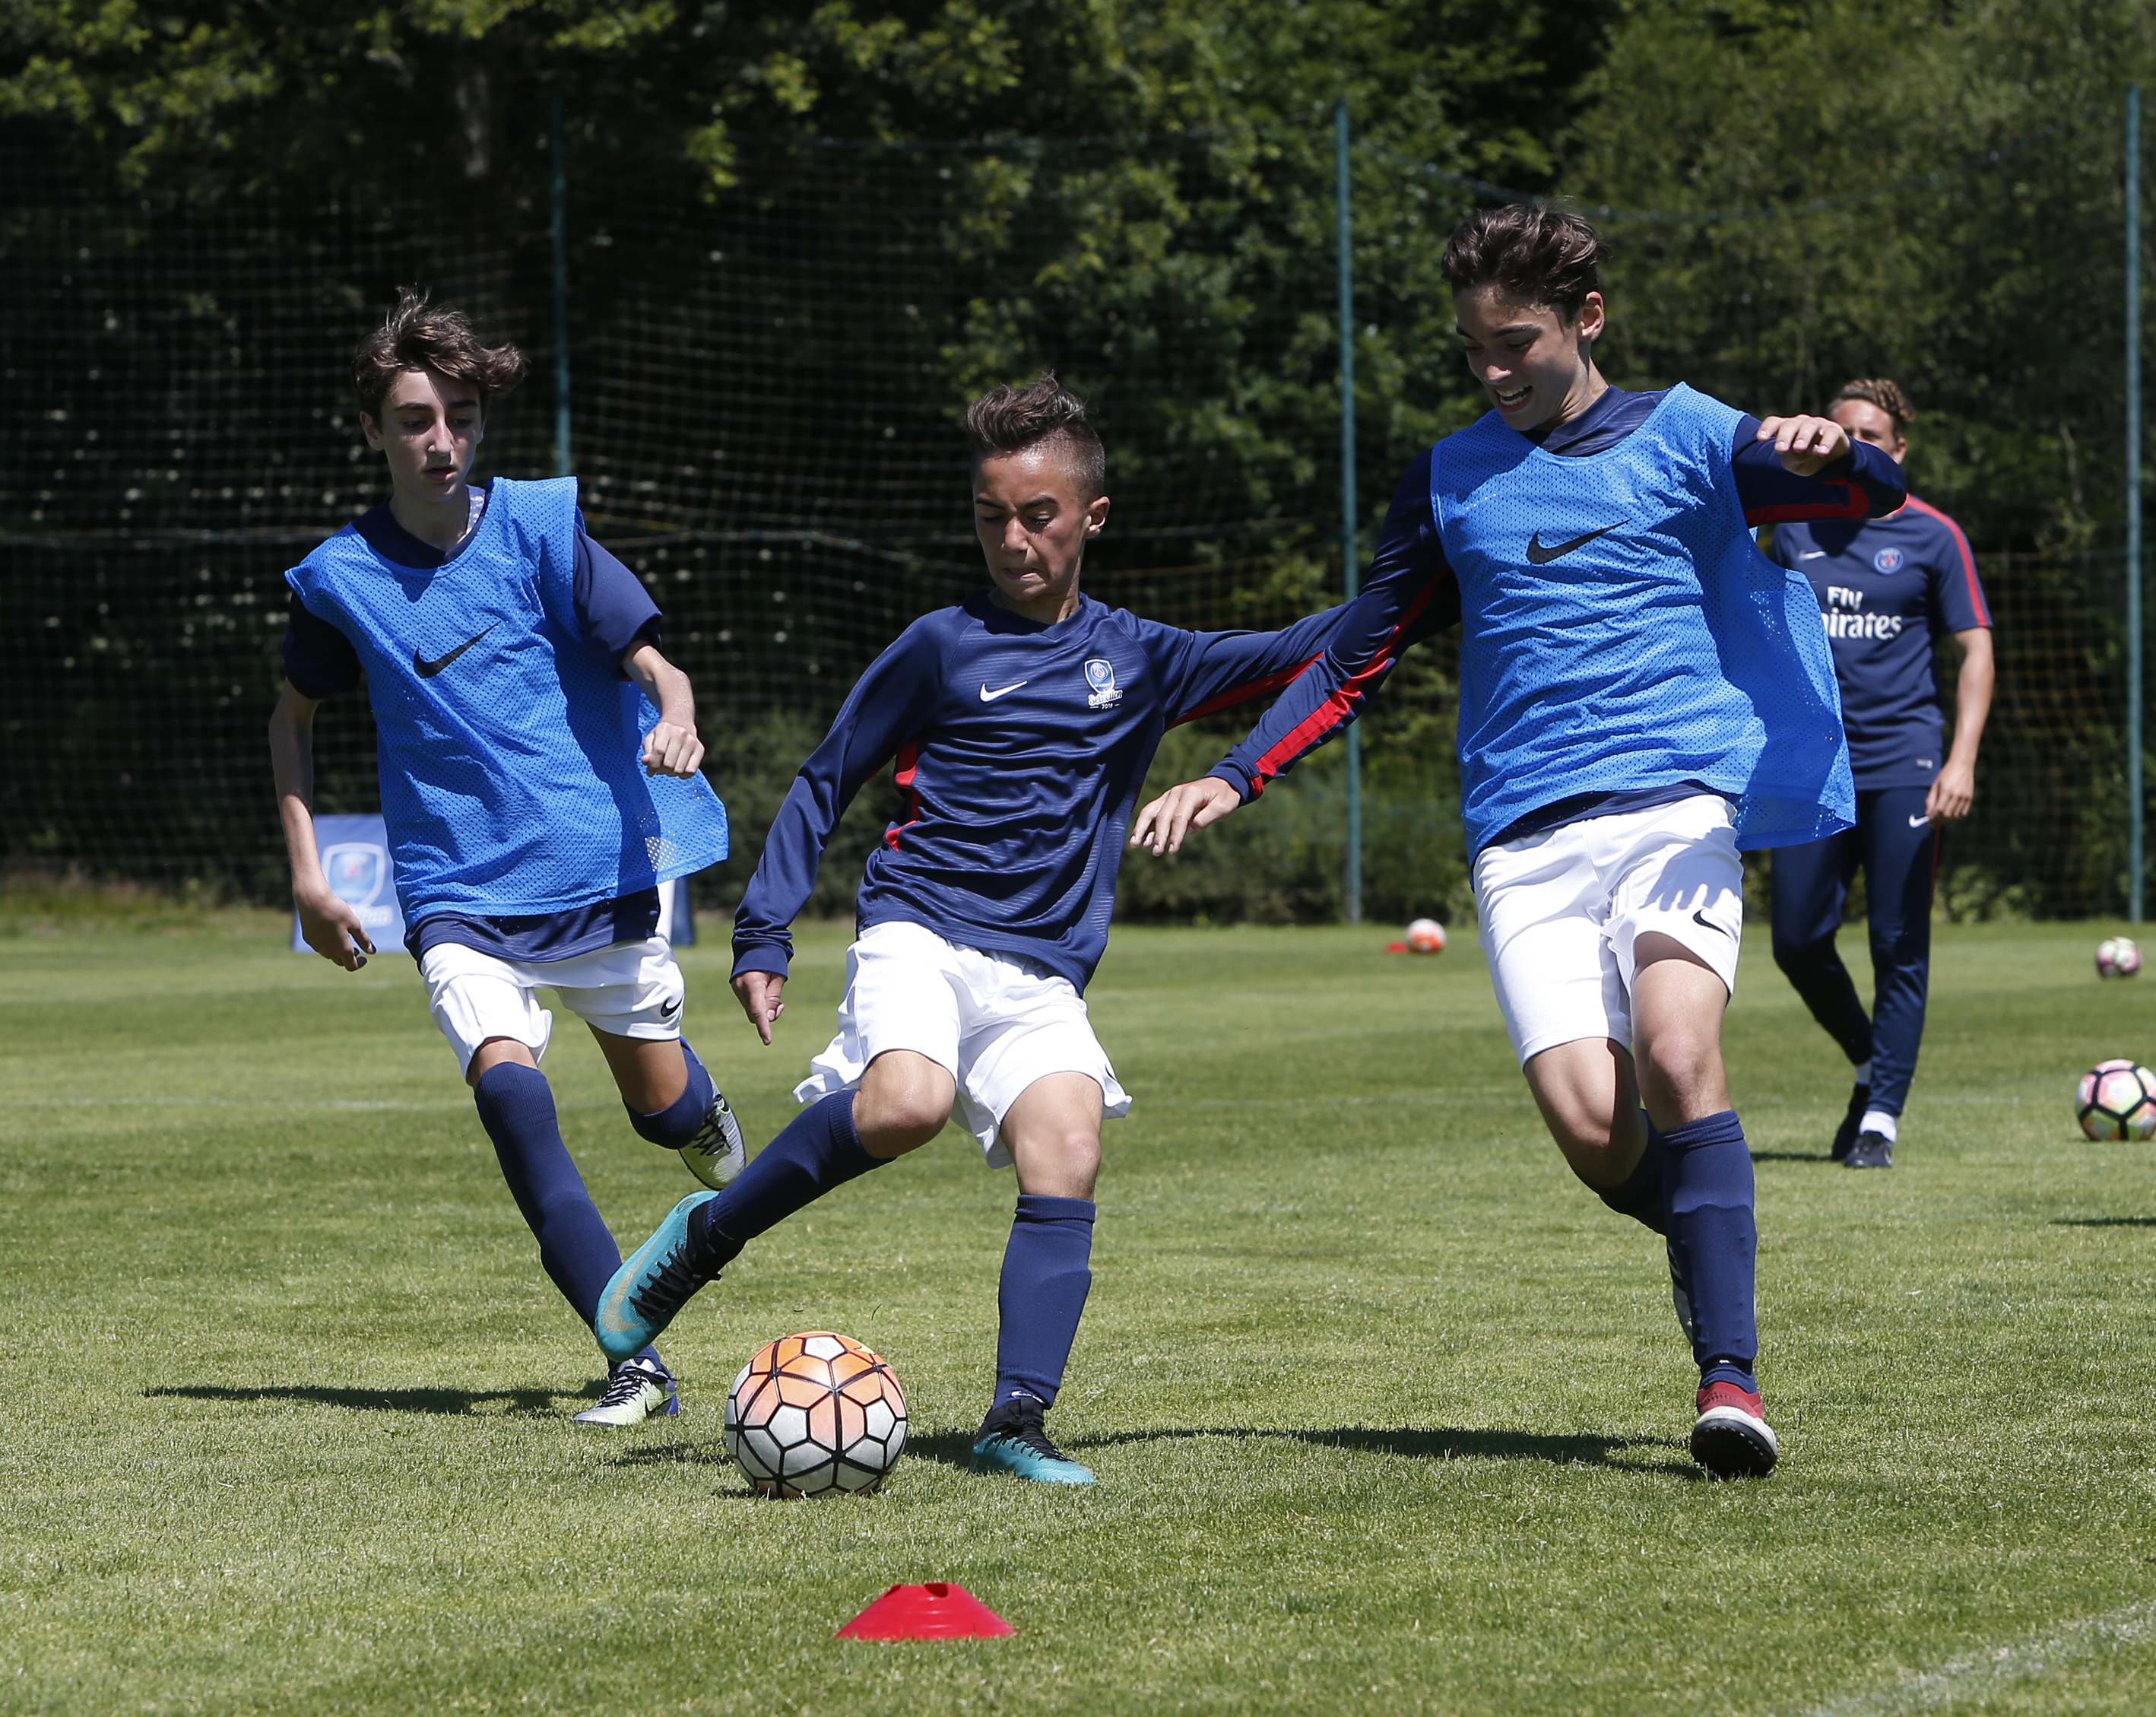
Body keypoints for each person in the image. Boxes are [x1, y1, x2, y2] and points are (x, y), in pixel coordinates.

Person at [1133, 206, 1907, 1478]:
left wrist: (1842, 453)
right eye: (1473, 349)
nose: (1493, 370)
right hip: (1524, 835)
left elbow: (1864, 495)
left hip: (1676, 799)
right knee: (1597, 1132)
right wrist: (1234, 774)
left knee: (1676, 1048)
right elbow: (1357, 652)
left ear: (1585, 319)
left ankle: (1730, 1374)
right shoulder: (1450, 476)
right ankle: (1711, 1223)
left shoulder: (1697, 434)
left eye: (1517, 343)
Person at [594, 374, 1350, 1484]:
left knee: (1069, 1148)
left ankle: (1015, 1422)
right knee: (907, 1100)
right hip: (924, 930)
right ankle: (706, 1240)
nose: (1012, 537)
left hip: (1042, 973)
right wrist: (763, 933)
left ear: (1091, 517)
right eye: (991, 514)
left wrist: (1431, 580)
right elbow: (828, 775)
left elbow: (1309, 645)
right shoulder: (940, 646)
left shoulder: (1140, 657)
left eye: (1037, 515)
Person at [269, 290, 739, 1427]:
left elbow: (655, 665)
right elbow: (292, 720)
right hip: (456, 894)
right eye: (418, 419)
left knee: (670, 1120)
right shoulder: (341, 580)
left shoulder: (540, 528)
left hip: (596, 872)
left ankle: (704, 1123)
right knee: (511, 1100)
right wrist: (307, 873)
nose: (443, 441)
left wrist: (675, 713)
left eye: (462, 417)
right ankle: (633, 1357)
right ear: (373, 429)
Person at [1763, 379, 1993, 1170]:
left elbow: (1976, 650)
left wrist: (1960, 759)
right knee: (1795, 941)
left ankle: (1881, 1119)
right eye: (1839, 431)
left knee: (1899, 943)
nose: (1850, 442)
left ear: (1897, 451)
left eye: (1868, 434)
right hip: (1809, 772)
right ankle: (1870, 1062)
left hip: (1905, 764)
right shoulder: (1790, 525)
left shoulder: (1934, 536)